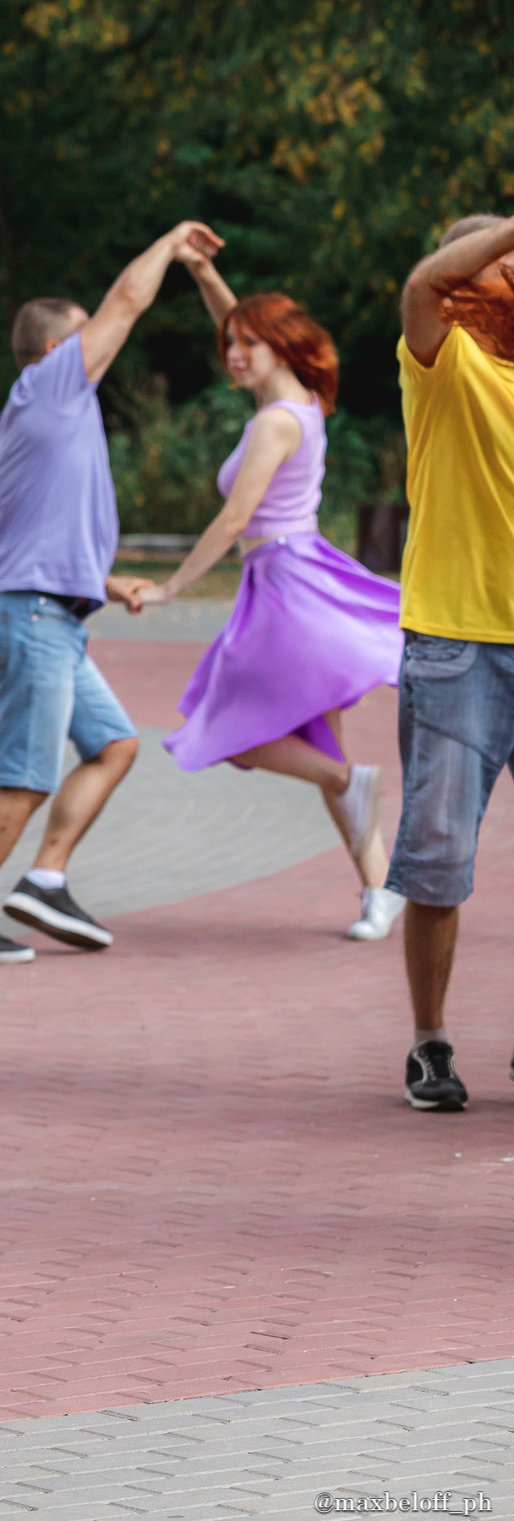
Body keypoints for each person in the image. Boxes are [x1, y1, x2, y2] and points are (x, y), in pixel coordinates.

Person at [0, 222, 220, 964]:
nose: (104, 346)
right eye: (88, 337)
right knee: (24, 780)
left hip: (47, 607)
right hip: (29, 617)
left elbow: (36, 531)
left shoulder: (53, 417)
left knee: (115, 744)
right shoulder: (49, 388)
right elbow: (127, 298)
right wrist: (170, 243)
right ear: (57, 351)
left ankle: (45, 878)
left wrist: (105, 582)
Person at [138, 257, 404, 938]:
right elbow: (244, 327)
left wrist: (170, 588)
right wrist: (202, 274)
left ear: (279, 347)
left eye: (244, 346)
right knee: (318, 741)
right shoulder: (295, 401)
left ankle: (349, 785)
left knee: (232, 728)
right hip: (295, 578)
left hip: (288, 587)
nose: (231, 355)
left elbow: (234, 522)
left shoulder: (274, 423)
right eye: (227, 344)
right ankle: (379, 887)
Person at [381, 213, 514, 1113]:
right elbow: (421, 285)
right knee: (437, 859)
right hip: (457, 644)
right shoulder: (442, 360)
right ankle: (429, 1044)